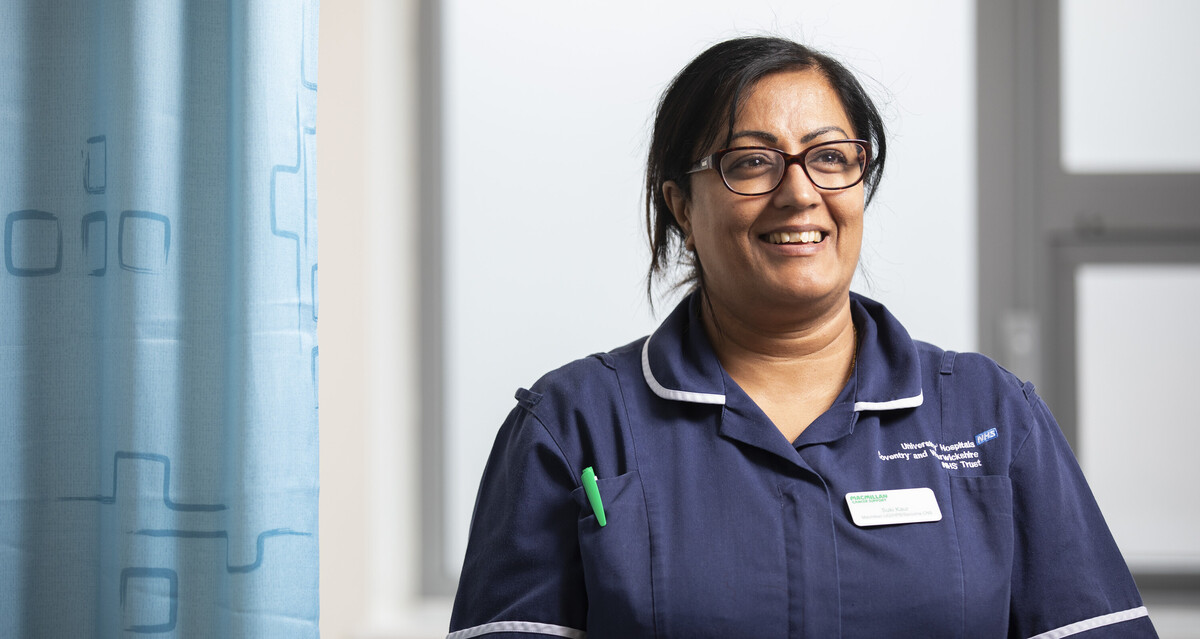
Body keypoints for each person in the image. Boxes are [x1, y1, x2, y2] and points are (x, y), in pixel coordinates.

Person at [448, 36, 1156, 638]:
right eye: (752, 161)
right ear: (681, 209)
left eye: (830, 156)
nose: (799, 192)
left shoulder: (990, 417)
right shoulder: (573, 426)